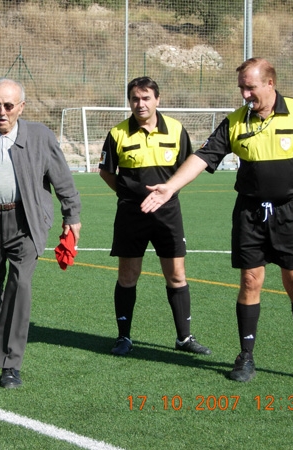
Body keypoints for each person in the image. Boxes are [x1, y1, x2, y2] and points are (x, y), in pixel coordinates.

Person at [141, 58, 293, 386]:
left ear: (270, 84)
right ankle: (246, 355)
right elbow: (204, 156)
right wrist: (170, 186)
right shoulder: (235, 122)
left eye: (251, 87)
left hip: (291, 212)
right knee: (250, 281)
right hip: (250, 213)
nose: (244, 94)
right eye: (241, 87)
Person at [0, 77, 82, 389]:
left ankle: (10, 364)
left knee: (20, 285)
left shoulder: (40, 136)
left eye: (9, 105)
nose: (2, 111)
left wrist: (71, 215)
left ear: (22, 107)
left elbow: (63, 180)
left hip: (27, 222)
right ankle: (12, 329)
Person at [99, 76, 212, 358]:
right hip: (131, 215)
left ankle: (184, 338)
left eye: (146, 98)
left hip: (168, 214)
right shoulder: (117, 134)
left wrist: (168, 193)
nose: (140, 104)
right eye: (135, 99)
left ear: (157, 100)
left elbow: (189, 164)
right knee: (128, 275)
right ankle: (124, 337)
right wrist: (129, 195)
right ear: (130, 101)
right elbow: (106, 172)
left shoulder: (175, 129)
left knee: (176, 274)